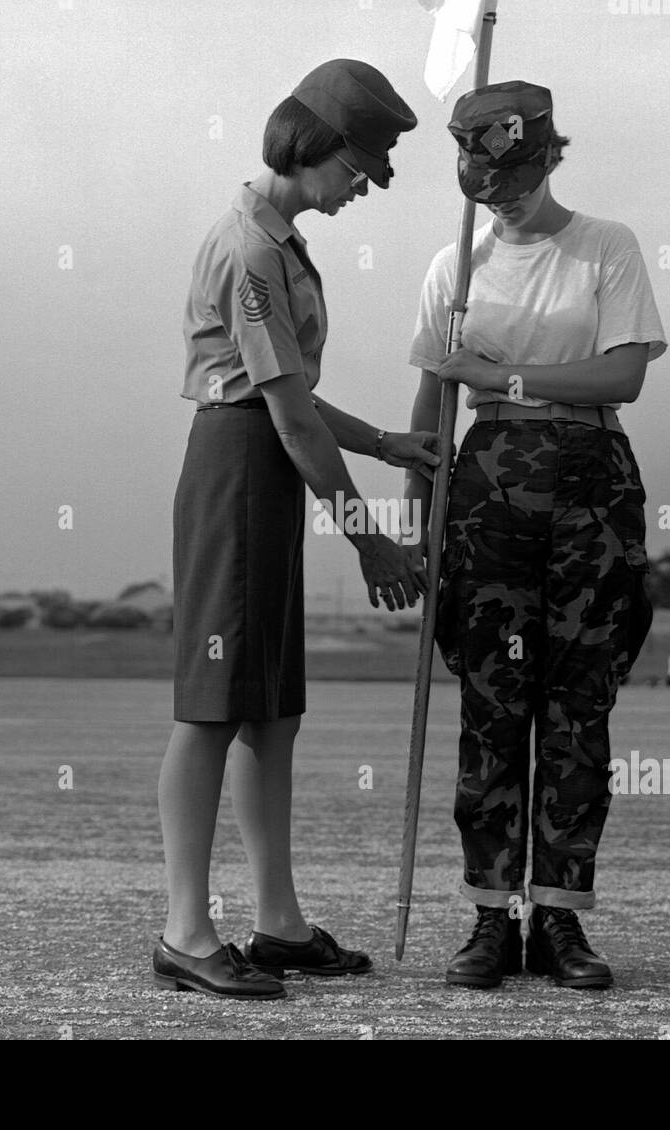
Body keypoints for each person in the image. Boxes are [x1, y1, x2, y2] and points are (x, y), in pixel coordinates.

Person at [154, 59, 440, 1000]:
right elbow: (282, 413)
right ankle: (186, 932)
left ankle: (276, 922)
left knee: (271, 714)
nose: (364, 186)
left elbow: (302, 403)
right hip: (240, 470)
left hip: (269, 467)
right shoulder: (250, 251)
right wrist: (369, 538)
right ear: (310, 147)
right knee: (214, 709)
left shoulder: (283, 240)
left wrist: (390, 442)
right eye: (357, 166)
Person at [404, 81, 665, 991]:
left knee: (578, 703)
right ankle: (489, 915)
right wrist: (412, 521)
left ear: (551, 155)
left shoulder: (606, 246)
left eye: (516, 171)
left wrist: (503, 376)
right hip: (485, 494)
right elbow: (433, 404)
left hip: (591, 488)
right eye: (484, 176)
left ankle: (560, 917)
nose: (501, 190)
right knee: (491, 700)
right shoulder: (454, 267)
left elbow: (622, 376)